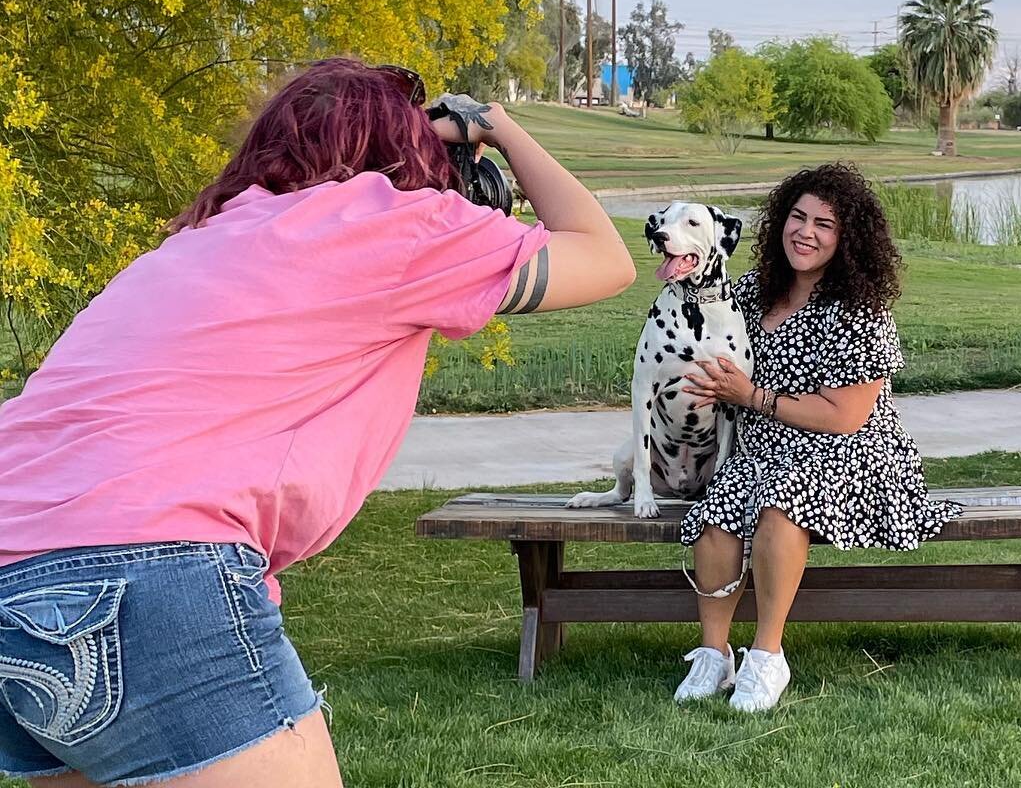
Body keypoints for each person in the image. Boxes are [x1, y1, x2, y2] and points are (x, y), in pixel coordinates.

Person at [0, 59, 634, 787]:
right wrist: (500, 127)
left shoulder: (196, 241)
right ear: (405, 154)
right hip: (148, 573)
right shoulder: (392, 221)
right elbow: (605, 257)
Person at [676, 162, 961, 712]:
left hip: (850, 452)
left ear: (847, 238)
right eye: (797, 216)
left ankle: (766, 657)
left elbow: (845, 417)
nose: (805, 232)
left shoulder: (862, 309)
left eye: (824, 224)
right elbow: (699, 339)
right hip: (763, 447)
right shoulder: (749, 293)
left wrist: (751, 396)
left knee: (781, 506)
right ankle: (713, 654)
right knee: (716, 516)